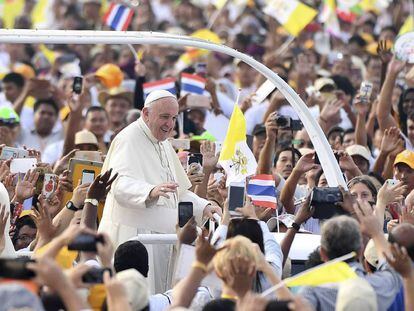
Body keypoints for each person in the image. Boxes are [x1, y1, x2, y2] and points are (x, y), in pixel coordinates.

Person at [98, 89, 221, 293]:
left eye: (173, 118)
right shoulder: (128, 139)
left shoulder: (162, 142)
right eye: (164, 117)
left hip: (160, 236)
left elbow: (176, 191)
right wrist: (149, 191)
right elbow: (118, 184)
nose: (170, 124)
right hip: (134, 235)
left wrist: (203, 206)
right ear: (146, 113)